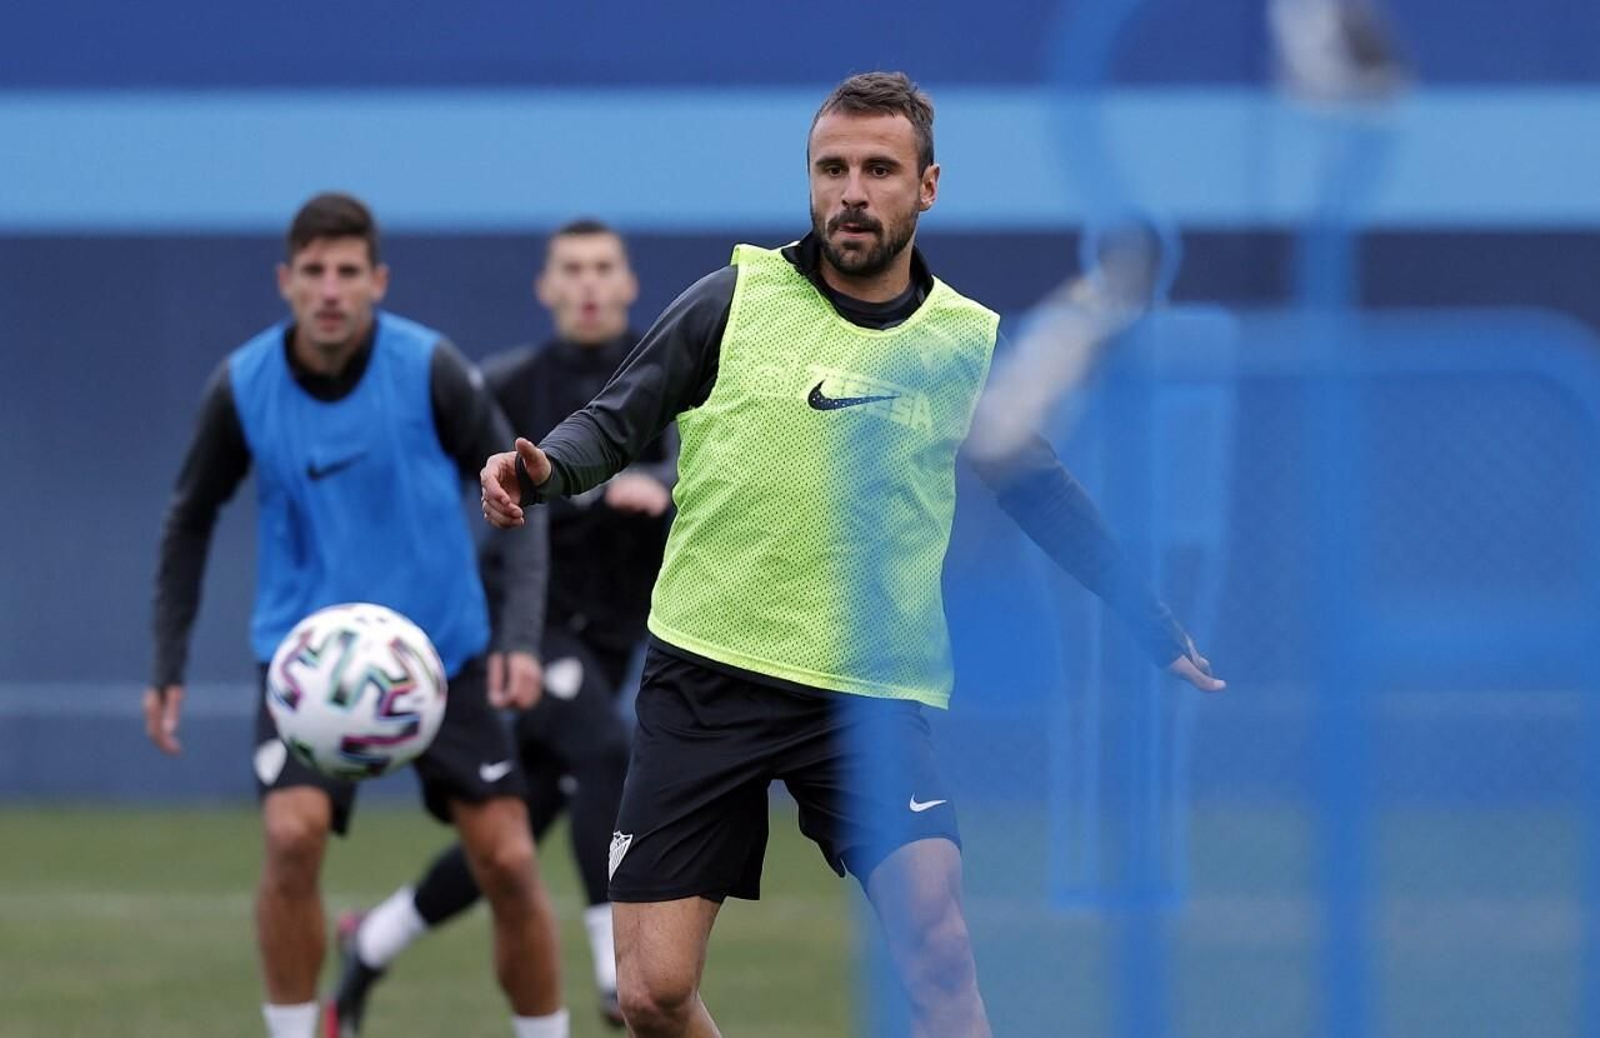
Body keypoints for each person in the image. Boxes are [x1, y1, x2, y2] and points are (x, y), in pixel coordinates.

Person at [481, 73, 1225, 1038]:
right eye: (831, 169)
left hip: (870, 693)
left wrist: (1148, 619)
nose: (851, 191)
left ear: (927, 187)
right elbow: (613, 423)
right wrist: (541, 474)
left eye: (879, 169)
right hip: (708, 675)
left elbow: (1038, 487)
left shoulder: (960, 342)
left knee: (941, 951)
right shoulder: (734, 298)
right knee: (652, 996)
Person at [143, 192, 570, 1038]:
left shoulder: (431, 369)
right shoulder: (243, 386)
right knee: (293, 840)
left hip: (440, 657)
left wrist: (518, 638)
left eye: (348, 272)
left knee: (512, 862)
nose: (330, 289)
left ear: (377, 280)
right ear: (285, 282)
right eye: (313, 273)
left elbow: (520, 494)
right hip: (307, 666)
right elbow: (189, 516)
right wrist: (168, 661)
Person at [330, 219, 674, 1031]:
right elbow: (436, 471)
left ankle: (371, 941)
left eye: (603, 268)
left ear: (627, 285)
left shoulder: (662, 373)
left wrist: (661, 482)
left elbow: (694, 456)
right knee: (604, 749)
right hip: (525, 624)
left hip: (611, 633)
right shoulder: (511, 384)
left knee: (518, 826)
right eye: (571, 269)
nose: (588, 283)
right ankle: (611, 966)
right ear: (545, 288)